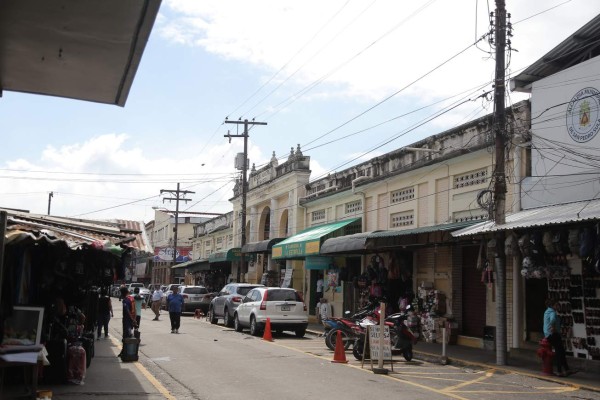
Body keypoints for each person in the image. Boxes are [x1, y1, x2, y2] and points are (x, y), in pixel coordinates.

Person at [543, 298, 571, 377]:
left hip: (548, 335)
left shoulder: (546, 311)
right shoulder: (552, 312)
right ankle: (559, 370)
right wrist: (553, 328)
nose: (558, 306)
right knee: (560, 352)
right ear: (553, 305)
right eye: (556, 305)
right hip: (553, 334)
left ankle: (566, 369)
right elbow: (552, 320)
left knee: (561, 351)